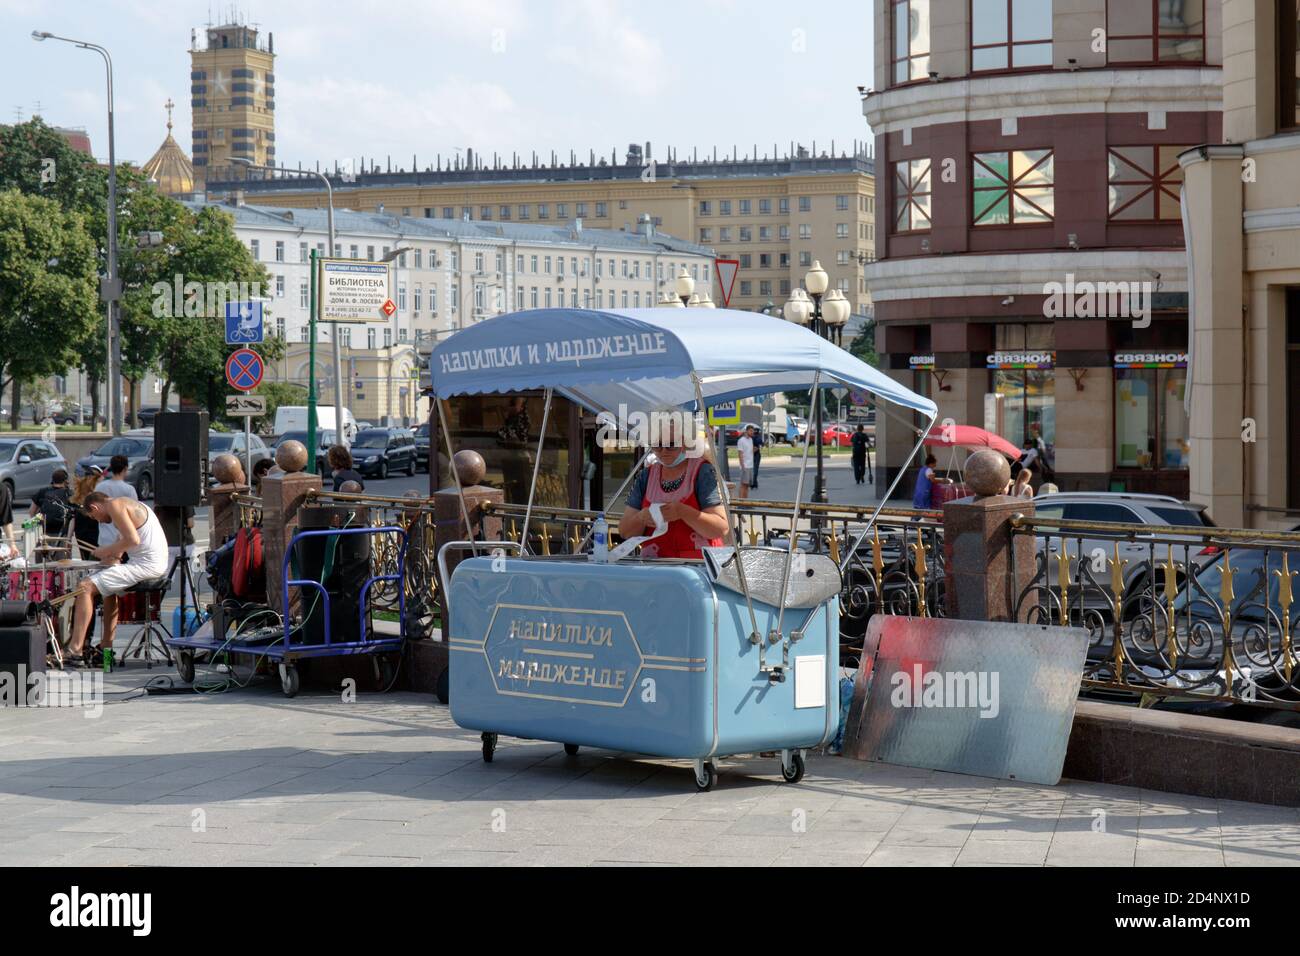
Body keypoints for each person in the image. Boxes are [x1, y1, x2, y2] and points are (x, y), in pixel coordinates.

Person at [66, 493, 169, 667]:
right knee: (107, 588)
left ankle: (75, 650)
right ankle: (106, 650)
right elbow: (119, 552)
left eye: (94, 517)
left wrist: (104, 550)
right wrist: (105, 560)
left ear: (95, 508)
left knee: (85, 587)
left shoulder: (114, 505)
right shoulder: (127, 505)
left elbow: (132, 540)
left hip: (146, 566)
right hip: (152, 564)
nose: (98, 521)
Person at [619, 416, 728, 560]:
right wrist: (641, 518)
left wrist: (683, 512)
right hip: (657, 569)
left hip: (698, 569)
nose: (663, 451)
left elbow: (720, 528)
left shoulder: (703, 472)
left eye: (671, 444)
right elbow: (625, 531)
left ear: (687, 443)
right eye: (657, 445)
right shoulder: (645, 476)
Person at [30, 468, 73, 552]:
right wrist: (69, 537)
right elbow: (72, 517)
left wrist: (37, 528)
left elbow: (32, 511)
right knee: (62, 562)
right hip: (61, 534)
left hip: (43, 533)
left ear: (52, 480)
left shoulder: (43, 491)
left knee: (41, 562)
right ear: (65, 481)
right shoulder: (68, 493)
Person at [69, 471, 101, 559]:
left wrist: (68, 538)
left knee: (85, 558)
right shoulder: (94, 504)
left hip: (81, 536)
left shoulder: (78, 503)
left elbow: (73, 520)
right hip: (95, 536)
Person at [736, 425, 755, 500]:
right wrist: (742, 466)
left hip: (750, 465)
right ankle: (740, 503)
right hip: (745, 466)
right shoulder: (741, 440)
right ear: (746, 431)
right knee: (743, 485)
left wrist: (754, 450)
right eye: (751, 431)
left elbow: (749, 452)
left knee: (747, 485)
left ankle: (746, 503)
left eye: (753, 431)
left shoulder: (751, 440)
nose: (752, 432)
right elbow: (740, 453)